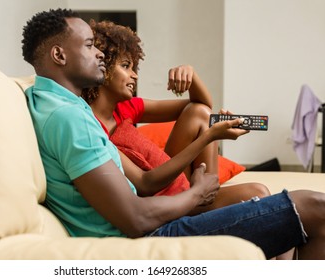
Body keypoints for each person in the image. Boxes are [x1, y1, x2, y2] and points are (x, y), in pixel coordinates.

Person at [22, 8, 325, 259]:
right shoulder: (68, 118)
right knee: (314, 206)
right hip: (150, 235)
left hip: (155, 221)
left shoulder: (58, 104)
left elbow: (142, 181)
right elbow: (136, 218)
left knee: (301, 218)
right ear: (59, 55)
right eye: (89, 45)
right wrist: (197, 192)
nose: (99, 53)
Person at [81, 20, 269, 213]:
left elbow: (200, 106)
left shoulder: (125, 108)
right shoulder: (90, 127)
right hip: (161, 200)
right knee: (259, 193)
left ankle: (208, 194)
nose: (135, 76)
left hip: (175, 184)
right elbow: (145, 185)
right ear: (104, 67)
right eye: (126, 66)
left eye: (134, 68)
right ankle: (205, 200)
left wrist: (191, 74)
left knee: (198, 113)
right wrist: (210, 136)